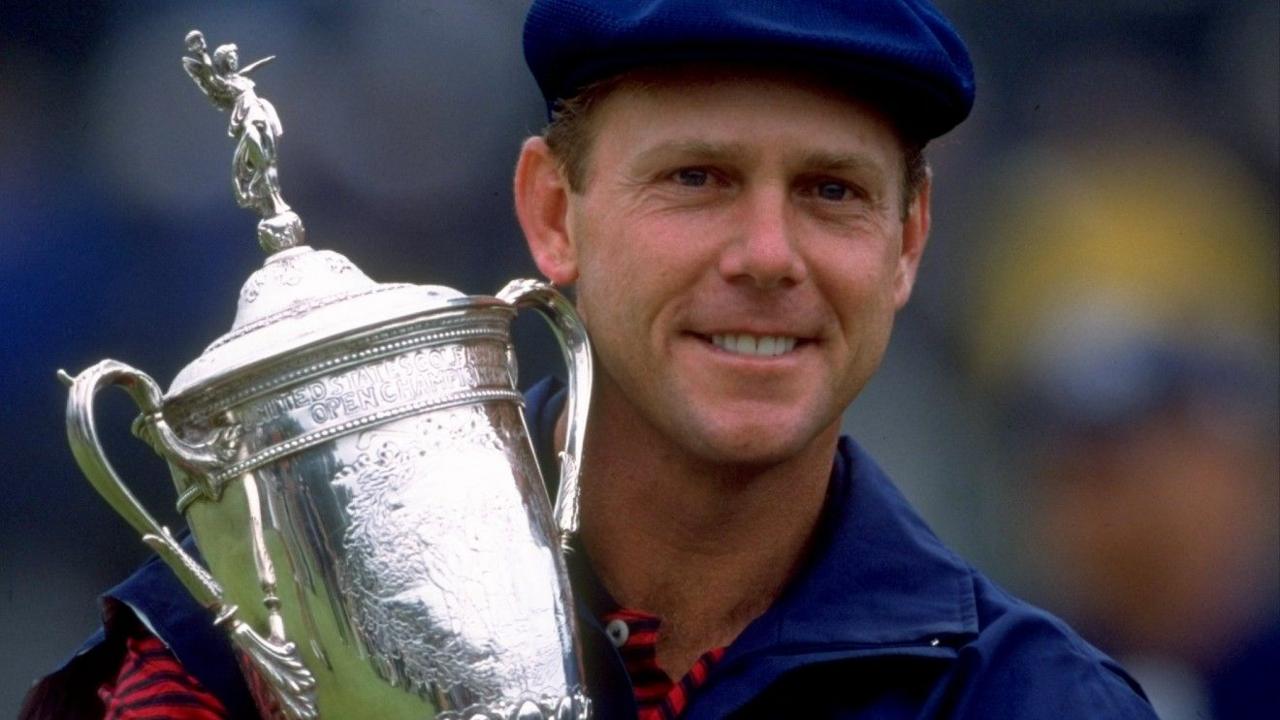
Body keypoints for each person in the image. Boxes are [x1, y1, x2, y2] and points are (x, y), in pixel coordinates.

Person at [24, 1, 1160, 718]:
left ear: (906, 244)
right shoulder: (238, 647)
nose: (768, 256)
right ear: (550, 213)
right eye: (696, 179)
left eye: (830, 192)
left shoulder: (1026, 698)